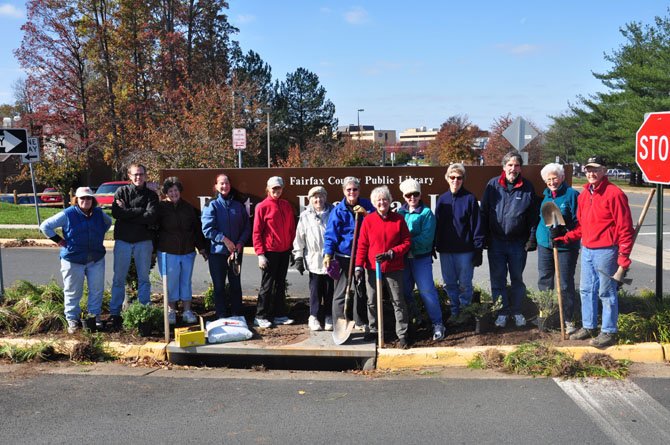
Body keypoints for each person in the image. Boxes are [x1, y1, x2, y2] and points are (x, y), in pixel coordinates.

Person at [552, 156, 634, 348]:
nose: (591, 173)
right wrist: (564, 238)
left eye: (595, 169)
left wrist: (623, 260)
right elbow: (582, 227)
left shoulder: (614, 194)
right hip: (587, 249)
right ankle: (589, 326)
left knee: (606, 291)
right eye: (588, 169)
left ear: (604, 170)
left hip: (607, 251)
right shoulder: (583, 195)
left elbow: (625, 229)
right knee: (586, 290)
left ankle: (608, 331)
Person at [39, 187, 112, 334]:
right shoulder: (68, 214)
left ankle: (94, 317)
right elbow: (45, 226)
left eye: (89, 198)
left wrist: (97, 235)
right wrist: (59, 240)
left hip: (95, 258)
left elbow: (108, 223)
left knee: (96, 290)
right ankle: (72, 319)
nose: (86, 201)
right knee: (73, 291)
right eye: (82, 198)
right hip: (73, 259)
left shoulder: (98, 213)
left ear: (93, 200)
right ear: (76, 200)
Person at [481, 151, 539, 328]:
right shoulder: (492, 185)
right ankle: (502, 312)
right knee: (497, 279)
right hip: (496, 242)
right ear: (504, 166)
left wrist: (531, 238)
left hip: (518, 243)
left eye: (516, 165)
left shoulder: (527, 187)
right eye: (510, 165)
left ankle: (516, 310)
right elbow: (483, 212)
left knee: (517, 279)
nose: (513, 169)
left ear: (520, 168)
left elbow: (533, 217)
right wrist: (484, 237)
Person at [355, 186, 411, 348]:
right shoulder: (368, 220)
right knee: (372, 301)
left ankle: (402, 334)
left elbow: (407, 242)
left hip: (394, 267)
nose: (382, 202)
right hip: (373, 268)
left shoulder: (398, 219)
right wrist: (359, 266)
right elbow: (362, 245)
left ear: (390, 201)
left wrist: (391, 253)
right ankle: (374, 330)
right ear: (374, 202)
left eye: (385, 199)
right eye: (378, 200)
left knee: (398, 301)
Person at [110, 163, 159, 329]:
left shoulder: (151, 196)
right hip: (123, 240)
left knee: (143, 279)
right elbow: (117, 213)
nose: (138, 177)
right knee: (119, 278)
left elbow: (151, 217)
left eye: (141, 174)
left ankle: (143, 310)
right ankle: (115, 313)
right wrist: (139, 211)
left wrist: (128, 211)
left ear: (145, 175)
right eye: (135, 174)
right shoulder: (121, 192)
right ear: (129, 176)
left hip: (143, 241)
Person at [434, 163, 485, 322]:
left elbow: (477, 226)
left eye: (459, 178)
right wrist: (434, 245)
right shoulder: (442, 200)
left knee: (464, 284)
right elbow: (437, 225)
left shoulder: (469, 199)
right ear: (447, 178)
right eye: (452, 177)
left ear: (463, 180)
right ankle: (454, 311)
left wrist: (478, 250)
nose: (455, 180)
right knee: (449, 284)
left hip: (465, 250)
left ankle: (465, 311)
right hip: (446, 250)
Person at [323, 177, 375, 331]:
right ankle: (339, 322)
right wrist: (328, 254)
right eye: (349, 189)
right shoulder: (338, 210)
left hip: (362, 256)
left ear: (359, 190)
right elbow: (331, 234)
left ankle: (360, 321)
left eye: (355, 189)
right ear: (344, 191)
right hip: (343, 256)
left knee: (360, 290)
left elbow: (377, 224)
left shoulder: (367, 205)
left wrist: (366, 215)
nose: (352, 192)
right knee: (340, 293)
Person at [397, 178, 445, 341]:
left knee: (427, 291)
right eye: (408, 195)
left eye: (415, 194)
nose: (412, 198)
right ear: (404, 196)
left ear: (420, 194)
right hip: (403, 260)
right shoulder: (399, 214)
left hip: (421, 259)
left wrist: (405, 243)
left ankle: (438, 323)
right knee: (404, 292)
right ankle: (415, 319)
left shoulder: (427, 214)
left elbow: (426, 238)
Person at [156, 177, 208, 325]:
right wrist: (153, 251)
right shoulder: (160, 208)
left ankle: (187, 311)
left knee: (186, 281)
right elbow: (154, 230)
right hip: (167, 252)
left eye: (176, 190)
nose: (174, 193)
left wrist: (201, 248)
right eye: (170, 191)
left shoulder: (188, 208)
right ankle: (171, 310)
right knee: (170, 282)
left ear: (180, 191)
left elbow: (196, 230)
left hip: (187, 252)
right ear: (166, 193)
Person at [535, 163, 580, 335]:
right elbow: (542, 219)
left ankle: (567, 319)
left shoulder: (572, 195)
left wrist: (565, 230)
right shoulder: (546, 197)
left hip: (566, 247)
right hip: (545, 245)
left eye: (555, 178)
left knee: (565, 283)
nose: (552, 182)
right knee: (545, 281)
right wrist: (536, 237)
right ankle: (546, 314)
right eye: (549, 179)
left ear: (562, 178)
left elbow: (579, 222)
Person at [201, 173, 251, 319]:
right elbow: (207, 229)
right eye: (221, 184)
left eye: (227, 183)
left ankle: (237, 314)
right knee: (219, 286)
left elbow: (246, 227)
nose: (224, 186)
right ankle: (221, 315)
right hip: (217, 253)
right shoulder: (212, 205)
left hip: (235, 253)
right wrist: (224, 240)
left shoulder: (238, 205)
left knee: (235, 285)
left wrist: (240, 243)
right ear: (216, 186)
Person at [252, 176, 297, 328]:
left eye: (279, 188)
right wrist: (260, 254)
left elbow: (291, 229)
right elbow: (256, 232)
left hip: (284, 251)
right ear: (268, 189)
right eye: (274, 188)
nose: (277, 191)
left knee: (280, 284)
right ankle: (260, 315)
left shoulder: (286, 205)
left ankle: (279, 315)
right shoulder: (262, 207)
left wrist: (291, 248)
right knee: (267, 285)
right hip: (269, 251)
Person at [293, 186, 335, 331]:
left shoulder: (333, 213)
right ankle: (314, 316)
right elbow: (300, 237)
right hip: (313, 258)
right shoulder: (305, 216)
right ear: (310, 200)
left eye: (321, 196)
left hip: (330, 257)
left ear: (325, 197)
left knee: (330, 289)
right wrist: (298, 256)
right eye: (315, 197)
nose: (318, 200)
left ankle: (329, 316)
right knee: (315, 289)